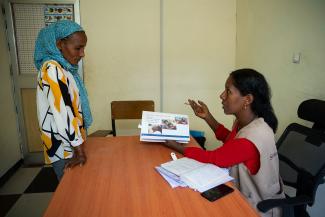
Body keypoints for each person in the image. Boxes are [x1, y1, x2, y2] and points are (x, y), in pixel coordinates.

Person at [163, 69, 285, 217]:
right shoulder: (248, 122)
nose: (222, 96)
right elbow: (231, 142)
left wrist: (174, 145)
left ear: (247, 100)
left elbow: (215, 158)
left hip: (256, 209)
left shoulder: (252, 136)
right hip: (243, 193)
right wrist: (208, 117)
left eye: (228, 91)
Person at [34, 20, 93, 181]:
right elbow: (63, 113)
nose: (82, 54)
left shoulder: (65, 69)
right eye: (78, 48)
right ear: (60, 44)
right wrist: (79, 151)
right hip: (64, 148)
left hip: (73, 144)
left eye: (83, 48)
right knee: (71, 196)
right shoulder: (51, 69)